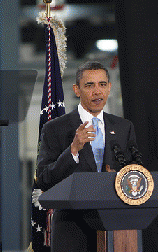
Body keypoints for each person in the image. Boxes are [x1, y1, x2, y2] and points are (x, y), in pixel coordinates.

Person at [36, 60, 135, 252]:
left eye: (102, 84)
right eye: (89, 85)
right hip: (72, 228)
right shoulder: (55, 128)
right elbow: (44, 179)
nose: (97, 91)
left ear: (109, 88)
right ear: (77, 89)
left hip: (115, 226)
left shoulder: (123, 127)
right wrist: (73, 149)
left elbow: (134, 170)